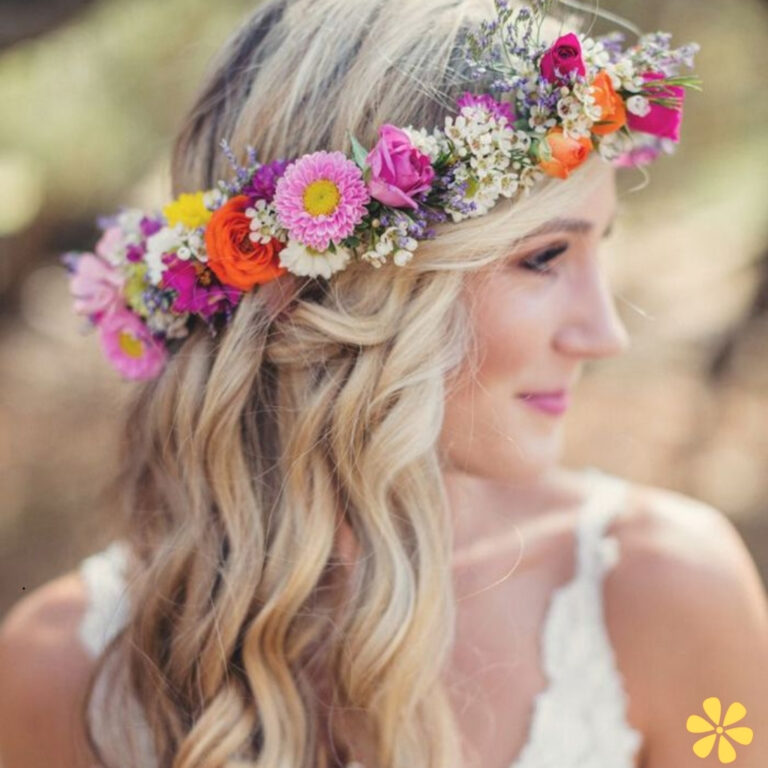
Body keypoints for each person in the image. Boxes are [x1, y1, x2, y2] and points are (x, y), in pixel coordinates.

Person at [0, 0, 766, 766]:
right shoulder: (61, 671)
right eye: (543, 257)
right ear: (330, 280)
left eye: (598, 249)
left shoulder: (666, 594)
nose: (606, 334)